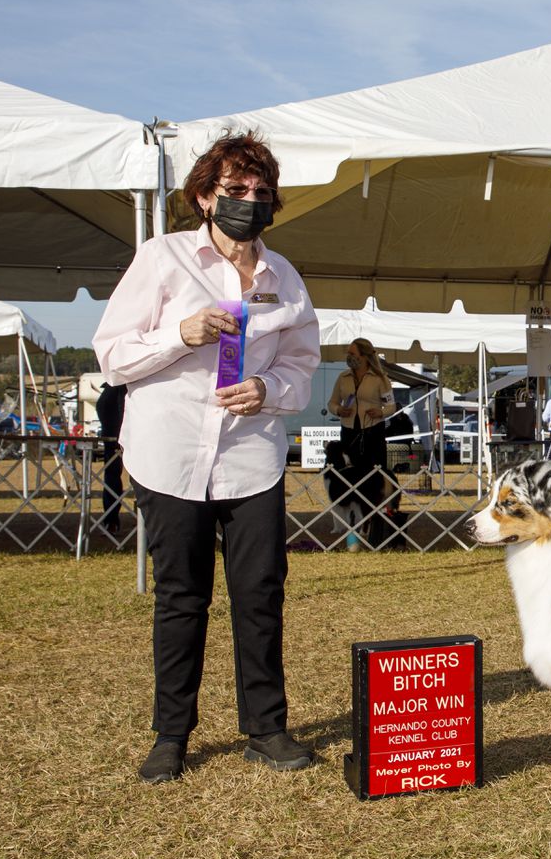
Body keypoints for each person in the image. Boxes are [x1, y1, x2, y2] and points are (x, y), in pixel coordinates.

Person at [93, 132, 321, 784]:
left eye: (259, 193)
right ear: (202, 196)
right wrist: (180, 333)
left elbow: (302, 367)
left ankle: (267, 729)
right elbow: (112, 355)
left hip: (252, 459)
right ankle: (172, 735)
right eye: (234, 191)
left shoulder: (285, 279)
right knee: (181, 597)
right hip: (169, 457)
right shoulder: (162, 259)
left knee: (260, 595)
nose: (248, 203)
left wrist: (268, 391)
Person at [327, 338, 396, 474]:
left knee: (374, 472)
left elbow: (391, 407)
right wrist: (338, 410)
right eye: (348, 353)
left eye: (352, 353)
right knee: (350, 471)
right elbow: (332, 403)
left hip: (373, 431)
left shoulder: (380, 379)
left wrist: (380, 412)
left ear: (364, 356)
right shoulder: (343, 377)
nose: (349, 357)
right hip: (349, 431)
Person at [96, 381, 127, 535]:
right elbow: (104, 406)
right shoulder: (114, 388)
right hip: (115, 437)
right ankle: (111, 520)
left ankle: (111, 521)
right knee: (112, 474)